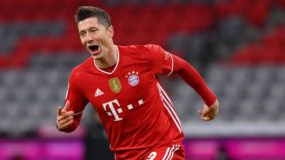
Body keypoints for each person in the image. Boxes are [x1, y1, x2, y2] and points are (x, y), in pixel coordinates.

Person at [56, 6, 219, 160]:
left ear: (110, 31)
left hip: (164, 146)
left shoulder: (145, 56)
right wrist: (63, 124)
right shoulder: (79, 77)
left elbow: (182, 67)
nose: (88, 38)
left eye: (93, 30)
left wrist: (211, 101)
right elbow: (72, 121)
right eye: (82, 33)